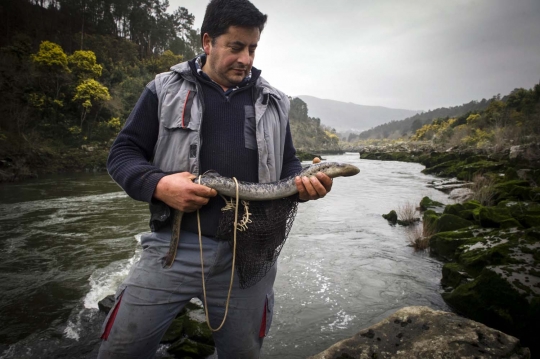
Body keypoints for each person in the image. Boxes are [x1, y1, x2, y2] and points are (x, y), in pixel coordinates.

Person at [98, 0, 332, 358]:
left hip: (251, 255)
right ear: (208, 42)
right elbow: (122, 154)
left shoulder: (275, 102)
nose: (246, 58)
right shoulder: (162, 89)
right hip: (174, 248)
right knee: (119, 351)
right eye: (235, 47)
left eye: (252, 48)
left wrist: (305, 185)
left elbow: (287, 166)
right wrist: (159, 185)